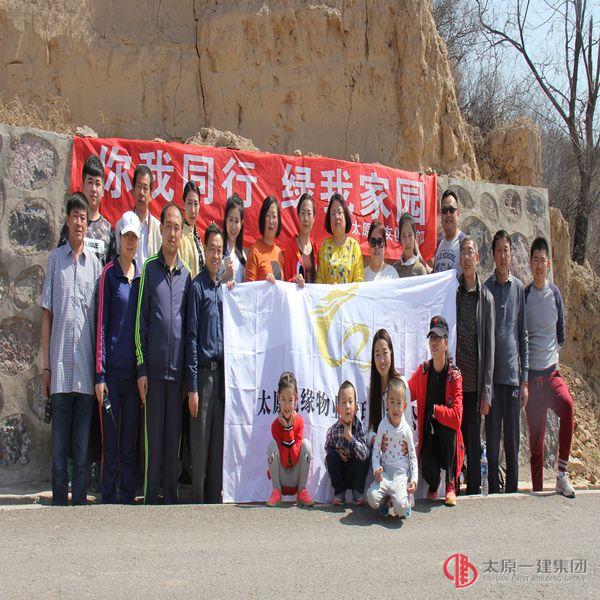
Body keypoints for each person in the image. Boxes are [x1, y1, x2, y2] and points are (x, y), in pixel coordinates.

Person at [40, 193, 102, 505]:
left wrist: (100, 372)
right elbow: (46, 316)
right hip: (61, 373)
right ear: (67, 220)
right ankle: (58, 505)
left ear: (87, 223)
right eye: (75, 216)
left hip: (86, 374)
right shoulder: (55, 261)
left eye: (83, 217)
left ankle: (77, 505)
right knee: (59, 452)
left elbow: (99, 322)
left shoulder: (95, 265)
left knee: (81, 453)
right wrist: (46, 368)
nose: (79, 222)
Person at [135, 204, 191, 504]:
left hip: (177, 375)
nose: (172, 233)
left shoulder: (187, 275)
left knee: (173, 445)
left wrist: (188, 379)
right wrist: (141, 368)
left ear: (181, 234)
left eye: (177, 228)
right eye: (168, 226)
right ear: (161, 229)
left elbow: (189, 328)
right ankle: (150, 499)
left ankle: (170, 501)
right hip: (154, 374)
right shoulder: (149, 269)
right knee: (153, 442)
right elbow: (140, 323)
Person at [95, 211, 141, 504]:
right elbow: (101, 325)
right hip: (111, 374)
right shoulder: (108, 275)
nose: (130, 242)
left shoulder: (141, 277)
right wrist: (99, 375)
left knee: (128, 443)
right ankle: (108, 498)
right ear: (119, 238)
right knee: (110, 443)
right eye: (126, 237)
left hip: (134, 376)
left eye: (134, 238)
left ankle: (126, 498)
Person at [524, 237, 575, 498]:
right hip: (532, 378)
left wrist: (553, 356)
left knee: (567, 406)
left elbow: (561, 333)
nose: (539, 265)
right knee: (536, 443)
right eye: (535, 260)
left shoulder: (555, 294)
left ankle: (562, 475)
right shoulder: (525, 296)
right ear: (530, 264)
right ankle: (537, 490)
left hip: (551, 373)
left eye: (542, 260)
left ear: (549, 264)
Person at [185, 223, 229, 504]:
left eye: (219, 250)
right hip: (202, 377)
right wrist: (192, 387)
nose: (215, 255)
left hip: (221, 376)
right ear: (204, 250)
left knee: (216, 447)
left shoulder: (223, 289)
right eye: (211, 249)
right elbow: (191, 337)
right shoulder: (197, 287)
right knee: (199, 448)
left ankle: (214, 504)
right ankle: (197, 505)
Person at [484, 230, 529, 494]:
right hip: (491, 380)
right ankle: (492, 491)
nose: (503, 256)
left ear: (511, 255)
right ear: (493, 254)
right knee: (491, 442)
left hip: (512, 378)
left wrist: (524, 380)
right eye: (499, 250)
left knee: (511, 443)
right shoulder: (486, 288)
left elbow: (523, 335)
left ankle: (511, 492)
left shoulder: (518, 288)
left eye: (506, 251)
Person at [408, 316, 464, 507]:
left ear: (446, 343)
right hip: (430, 436)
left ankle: (451, 485)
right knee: (428, 469)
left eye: (439, 338)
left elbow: (457, 418)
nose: (434, 343)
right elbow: (407, 393)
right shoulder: (423, 371)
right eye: (432, 338)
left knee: (449, 429)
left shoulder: (454, 375)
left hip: (448, 438)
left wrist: (435, 410)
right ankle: (434, 484)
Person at [456, 236, 495, 495]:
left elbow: (490, 349)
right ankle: (454, 485)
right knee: (455, 438)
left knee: (472, 437)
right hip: (455, 382)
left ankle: (472, 489)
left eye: (470, 252)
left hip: (474, 382)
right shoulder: (453, 291)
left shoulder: (486, 298)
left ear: (478, 258)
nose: (467, 257)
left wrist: (487, 392)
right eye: (463, 252)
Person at [366, 377, 417, 518]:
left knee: (401, 510)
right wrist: (377, 469)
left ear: (404, 406)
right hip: (385, 473)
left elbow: (412, 456)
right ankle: (386, 500)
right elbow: (376, 452)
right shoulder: (383, 426)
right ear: (387, 403)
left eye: (399, 403)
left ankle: (403, 499)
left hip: (400, 475)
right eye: (392, 402)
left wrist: (414, 480)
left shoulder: (406, 430)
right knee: (371, 498)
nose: (395, 407)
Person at [265, 372, 313, 507]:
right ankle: (276, 491)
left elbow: (295, 457)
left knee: (306, 445)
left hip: (296, 477)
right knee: (272, 445)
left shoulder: (300, 422)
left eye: (290, 400)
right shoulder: (275, 426)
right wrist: (286, 428)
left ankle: (302, 491)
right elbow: (285, 461)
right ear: (278, 398)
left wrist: (289, 429)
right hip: (282, 477)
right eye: (283, 399)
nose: (286, 405)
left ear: (296, 399)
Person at [58, 154, 115, 265]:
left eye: (97, 184)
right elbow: (60, 260)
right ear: (83, 185)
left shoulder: (108, 231)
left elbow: (110, 270)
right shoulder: (71, 225)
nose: (93, 189)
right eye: (90, 182)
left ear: (103, 190)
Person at [324, 381, 369, 506]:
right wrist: (337, 452)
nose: (347, 406)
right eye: (343, 403)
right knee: (330, 456)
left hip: (355, 473)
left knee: (366, 453)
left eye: (350, 402)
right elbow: (327, 448)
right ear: (338, 408)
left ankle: (357, 493)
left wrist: (351, 439)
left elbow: (363, 455)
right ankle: (339, 493)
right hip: (341, 473)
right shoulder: (333, 430)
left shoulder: (359, 427)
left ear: (356, 407)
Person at [116, 165, 161, 266]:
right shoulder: (121, 224)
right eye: (139, 187)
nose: (141, 192)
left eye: (145, 188)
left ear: (151, 194)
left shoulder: (158, 228)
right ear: (133, 190)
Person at [316, 193, 364, 284]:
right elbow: (319, 279)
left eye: (340, 212)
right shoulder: (324, 246)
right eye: (333, 214)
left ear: (346, 217)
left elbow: (359, 280)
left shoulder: (354, 247)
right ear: (329, 220)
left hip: (350, 294)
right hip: (328, 293)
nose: (337, 217)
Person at [366, 329, 400, 449]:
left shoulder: (401, 385)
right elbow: (368, 430)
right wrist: (375, 439)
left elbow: (408, 427)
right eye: (377, 355)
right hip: (376, 453)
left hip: (396, 453)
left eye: (385, 353)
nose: (381, 360)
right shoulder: (371, 389)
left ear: (391, 352)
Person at [244, 195, 285, 282]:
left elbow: (282, 285)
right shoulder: (254, 251)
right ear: (263, 219)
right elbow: (248, 287)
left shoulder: (279, 253)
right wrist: (264, 282)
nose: (271, 221)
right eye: (268, 216)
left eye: (274, 216)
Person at [283, 192, 319, 285]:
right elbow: (285, 282)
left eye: (309, 213)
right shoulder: (290, 247)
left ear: (314, 218)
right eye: (303, 213)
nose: (306, 219)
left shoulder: (315, 247)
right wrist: (294, 280)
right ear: (298, 216)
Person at [433, 190, 466, 275]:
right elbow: (435, 275)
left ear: (458, 213)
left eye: (451, 210)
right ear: (441, 215)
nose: (448, 214)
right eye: (444, 211)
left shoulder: (464, 242)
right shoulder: (440, 242)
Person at [179, 181, 205, 279]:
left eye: (196, 204)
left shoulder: (198, 236)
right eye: (189, 203)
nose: (193, 210)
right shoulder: (179, 235)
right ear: (184, 204)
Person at [220, 193, 246, 284]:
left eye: (237, 221)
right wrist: (225, 277)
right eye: (231, 220)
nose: (233, 226)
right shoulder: (218, 250)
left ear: (241, 223)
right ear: (225, 220)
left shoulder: (242, 257)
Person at [394, 213, 428, 277]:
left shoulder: (420, 270)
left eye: (410, 235)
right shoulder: (395, 269)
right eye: (404, 236)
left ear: (415, 237)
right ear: (399, 239)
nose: (407, 241)